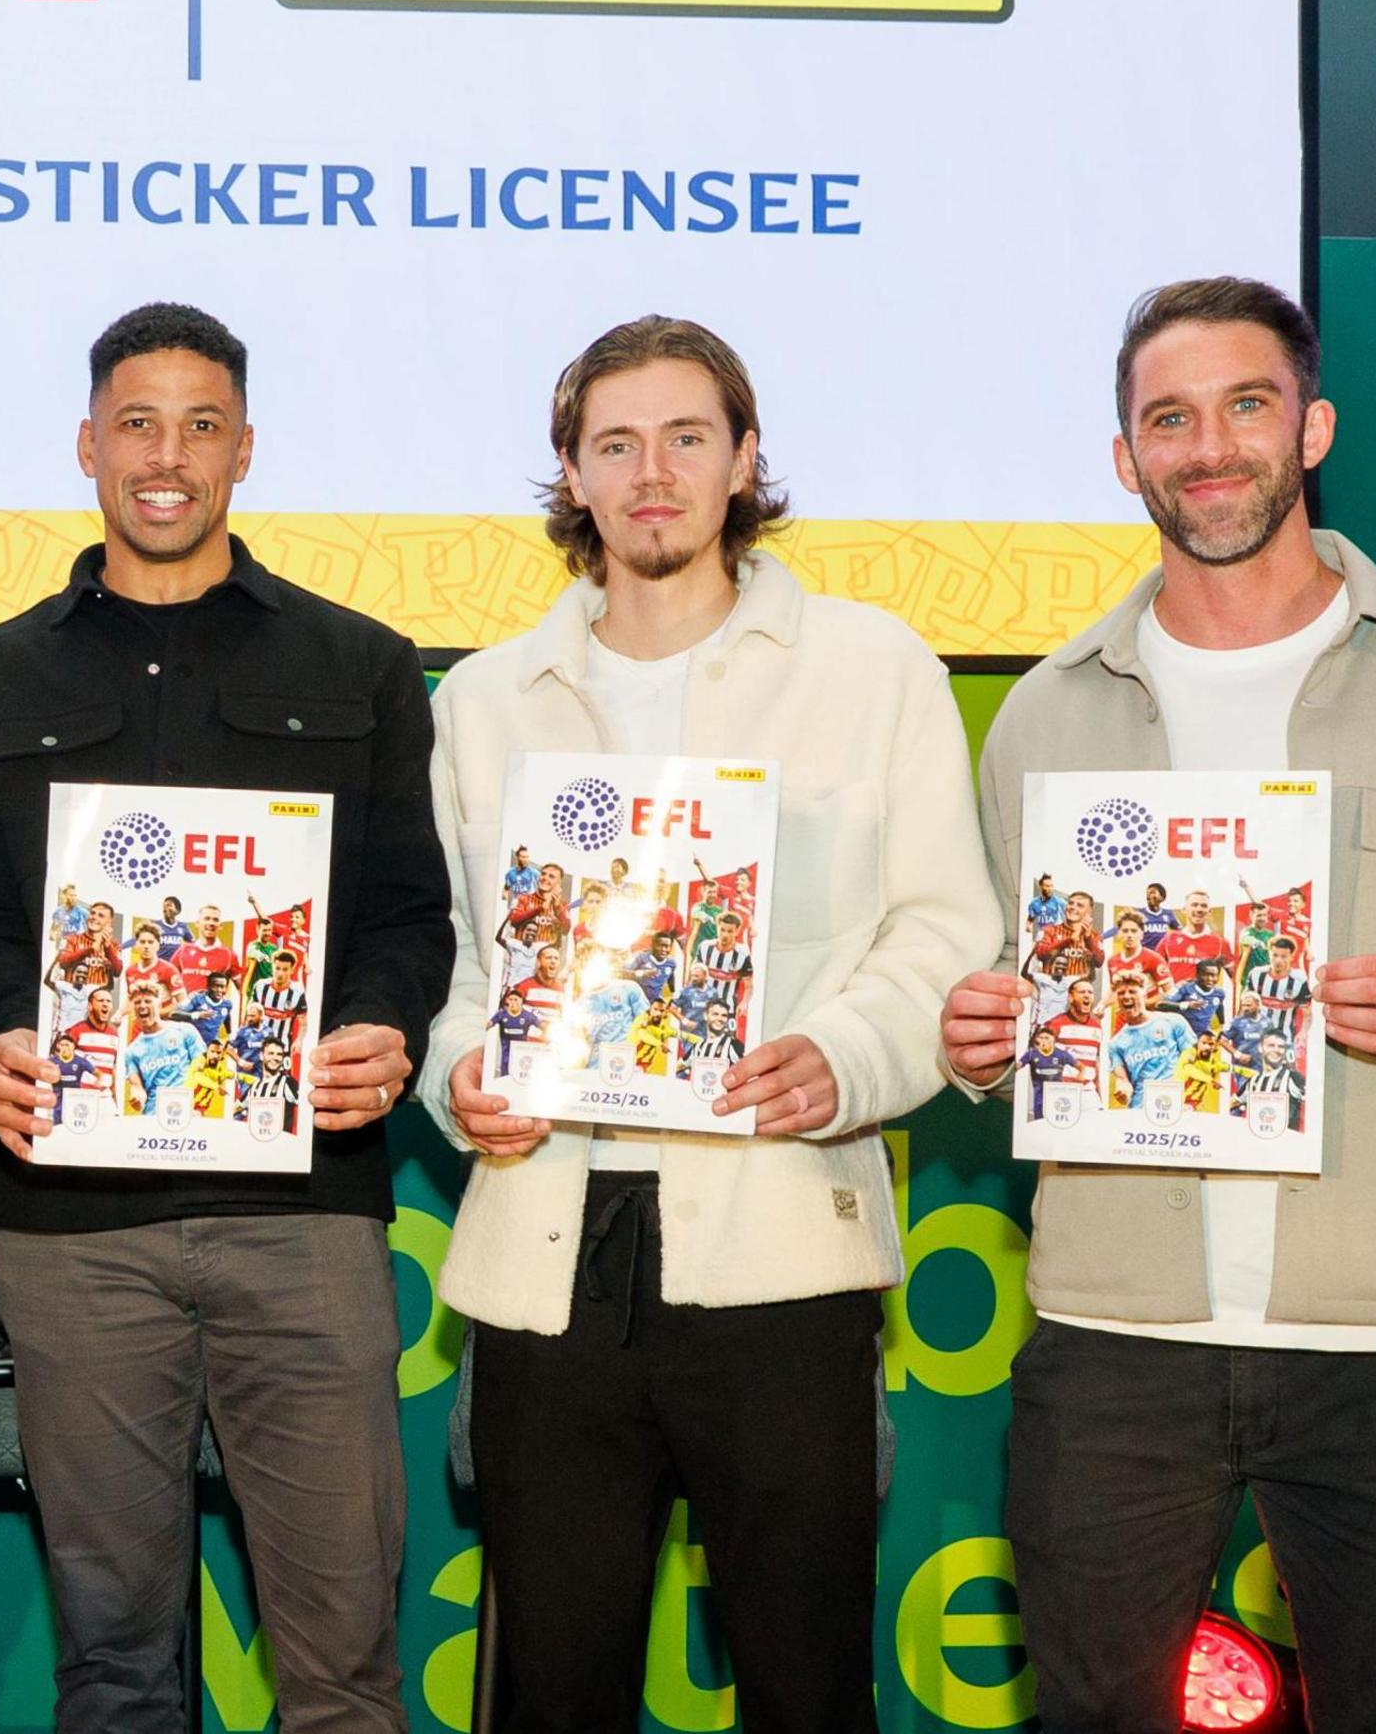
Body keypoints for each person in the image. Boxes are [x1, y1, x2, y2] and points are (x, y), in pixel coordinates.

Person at [935, 279, 1376, 1734]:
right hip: (1115, 1327)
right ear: (1125, 461)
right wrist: (980, 1036)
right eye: (1167, 419)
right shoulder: (1046, 708)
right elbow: (1004, 960)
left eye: (1246, 406)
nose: (1209, 447)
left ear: (1311, 428)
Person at [411, 317, 996, 1734]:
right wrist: (461, 1078)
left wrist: (847, 1058)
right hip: (549, 1252)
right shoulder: (487, 701)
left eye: (687, 437)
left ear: (745, 459)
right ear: (573, 474)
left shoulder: (874, 669)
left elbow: (945, 936)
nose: (652, 472)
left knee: (804, 1685)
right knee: (551, 1689)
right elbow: (459, 974)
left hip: (780, 1241)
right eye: (616, 443)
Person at [0, 304, 456, 1734]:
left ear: (245, 449)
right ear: (89, 444)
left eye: (202, 424)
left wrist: (379, 1030)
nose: (167, 457)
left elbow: (413, 915)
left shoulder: (361, 664)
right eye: (139, 423)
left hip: (307, 1216)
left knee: (342, 1666)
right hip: (73, 1232)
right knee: (111, 1665)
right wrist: (0, 1030)